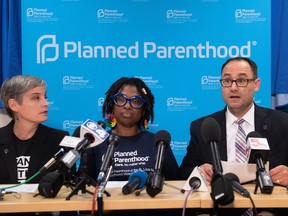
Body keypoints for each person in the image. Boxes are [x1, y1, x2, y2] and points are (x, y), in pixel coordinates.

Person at [179, 57, 288, 215]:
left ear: (256, 84)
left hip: (267, 208)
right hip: (218, 207)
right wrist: (200, 172)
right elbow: (183, 172)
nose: (234, 87)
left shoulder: (283, 123)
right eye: (227, 81)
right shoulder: (203, 126)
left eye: (242, 80)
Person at [74, 77, 179, 182]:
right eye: (121, 99)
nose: (127, 106)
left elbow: (175, 185)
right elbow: (85, 186)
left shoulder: (159, 143)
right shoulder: (96, 142)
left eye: (136, 101)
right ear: (112, 106)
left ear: (143, 109)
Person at [0, 75, 72, 216]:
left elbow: (67, 194)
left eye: (45, 97)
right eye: (36, 98)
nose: (46, 103)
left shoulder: (60, 140)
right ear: (14, 105)